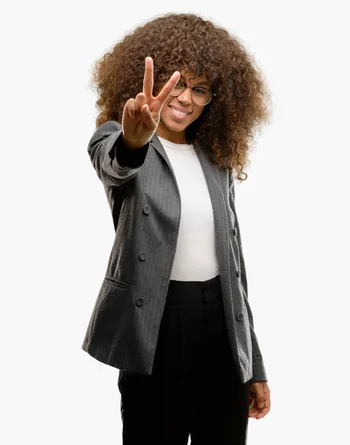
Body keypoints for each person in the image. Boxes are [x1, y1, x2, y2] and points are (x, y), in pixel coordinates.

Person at [81, 12, 272, 444]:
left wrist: (254, 364)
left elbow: (235, 268)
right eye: (178, 82)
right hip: (156, 326)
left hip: (221, 327)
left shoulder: (214, 155)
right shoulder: (121, 137)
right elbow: (113, 166)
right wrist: (133, 140)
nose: (185, 98)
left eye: (200, 89)